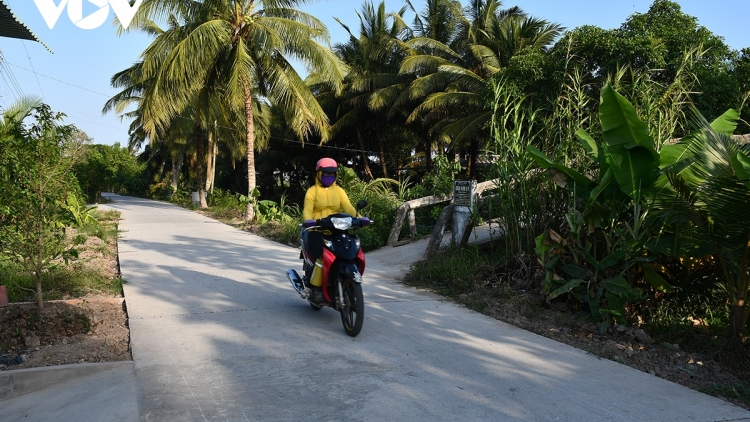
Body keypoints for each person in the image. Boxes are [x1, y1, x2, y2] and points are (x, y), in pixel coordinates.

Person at [301, 158, 357, 301]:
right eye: (326, 174)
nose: (329, 177)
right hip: (316, 229)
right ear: (319, 174)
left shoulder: (339, 191)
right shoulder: (312, 191)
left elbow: (348, 207)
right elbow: (307, 209)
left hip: (336, 229)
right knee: (321, 255)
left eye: (332, 174)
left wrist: (359, 218)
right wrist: (308, 221)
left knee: (347, 251)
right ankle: (311, 286)